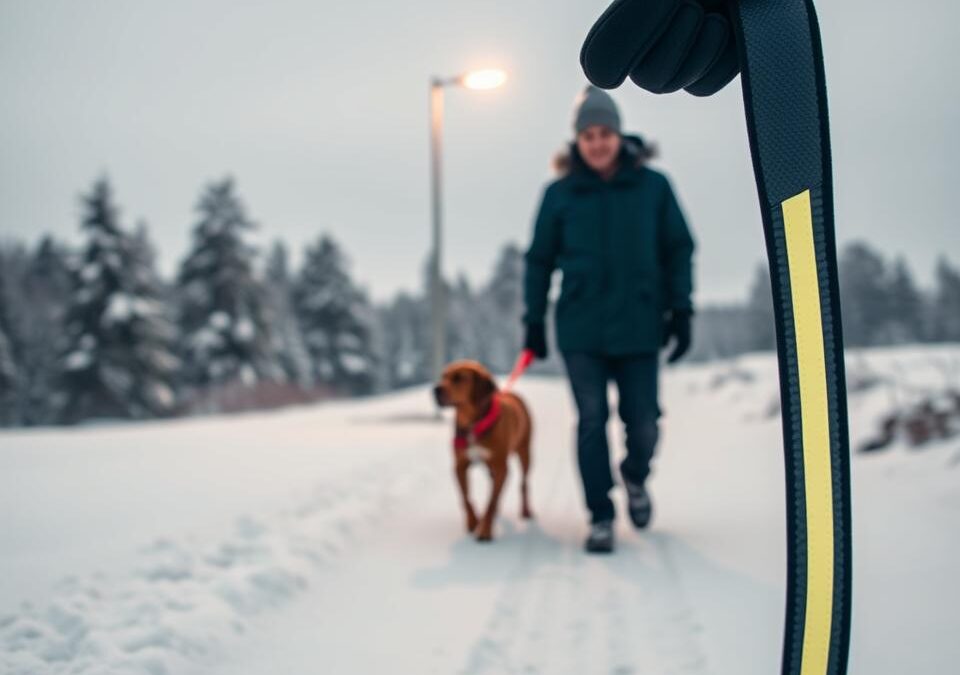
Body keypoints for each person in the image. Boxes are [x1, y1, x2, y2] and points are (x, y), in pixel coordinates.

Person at [522, 86, 695, 553]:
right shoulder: (559, 195)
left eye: (605, 133)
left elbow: (679, 247)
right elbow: (539, 260)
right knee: (591, 419)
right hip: (581, 328)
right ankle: (600, 514)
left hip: (641, 324)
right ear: (576, 141)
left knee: (643, 422)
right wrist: (534, 321)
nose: (597, 143)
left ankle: (635, 478)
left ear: (620, 135)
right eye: (588, 135)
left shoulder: (654, 187)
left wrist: (681, 309)